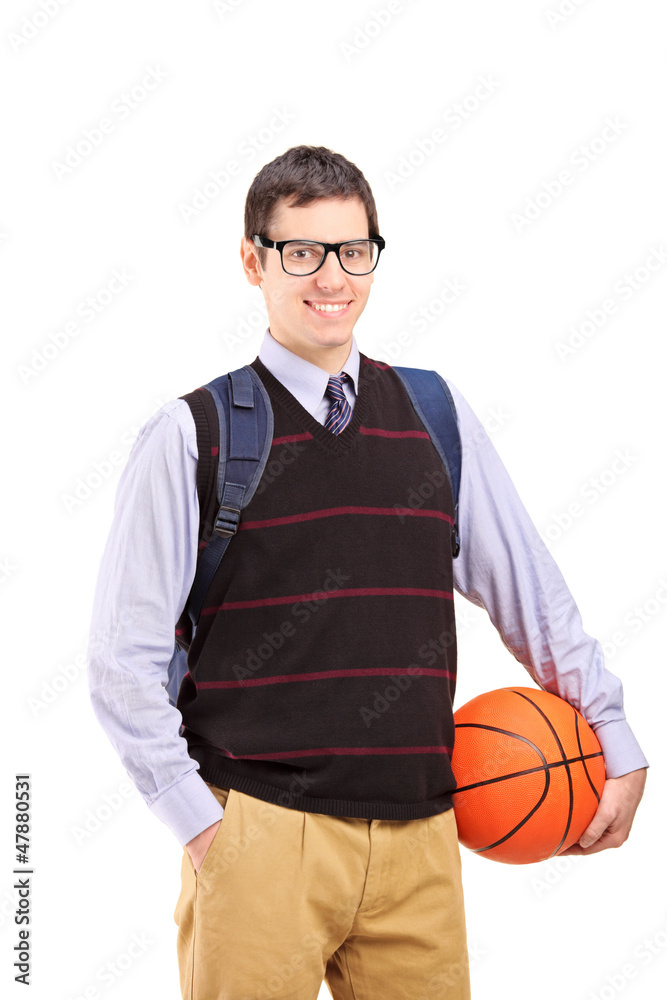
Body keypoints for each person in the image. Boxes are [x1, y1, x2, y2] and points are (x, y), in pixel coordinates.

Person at [87, 144, 648, 1000]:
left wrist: (611, 728)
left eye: (353, 252)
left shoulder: (432, 414)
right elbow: (120, 662)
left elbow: (531, 597)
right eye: (300, 252)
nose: (330, 278)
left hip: (424, 835)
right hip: (260, 837)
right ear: (253, 260)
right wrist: (208, 833)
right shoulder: (191, 434)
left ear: (373, 257)